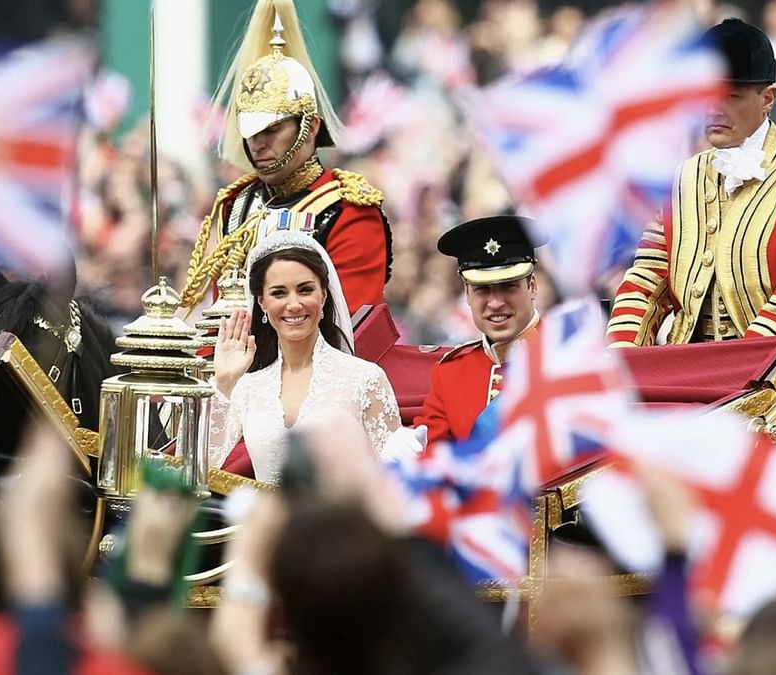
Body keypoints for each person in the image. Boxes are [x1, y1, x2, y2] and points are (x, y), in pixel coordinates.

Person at [606, 18, 776, 346]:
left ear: (769, 98)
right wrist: (621, 356)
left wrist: (733, 379)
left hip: (769, 378)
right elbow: (644, 282)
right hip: (685, 368)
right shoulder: (678, 181)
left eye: (731, 96)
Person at [179, 0, 391, 315]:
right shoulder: (235, 204)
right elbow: (219, 318)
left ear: (310, 126)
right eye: (251, 131)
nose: (257, 144)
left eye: (272, 130)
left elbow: (347, 327)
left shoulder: (347, 210)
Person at [209, 230, 401, 484]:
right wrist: (224, 382)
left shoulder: (365, 379)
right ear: (262, 303)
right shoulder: (247, 388)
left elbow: (397, 480)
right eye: (279, 293)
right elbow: (193, 471)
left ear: (323, 295)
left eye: (305, 290)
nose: (294, 304)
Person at [412, 215, 541, 445]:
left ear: (532, 287)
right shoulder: (450, 373)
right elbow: (433, 458)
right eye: (482, 290)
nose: (495, 303)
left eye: (508, 287)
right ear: (467, 294)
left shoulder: (569, 355)